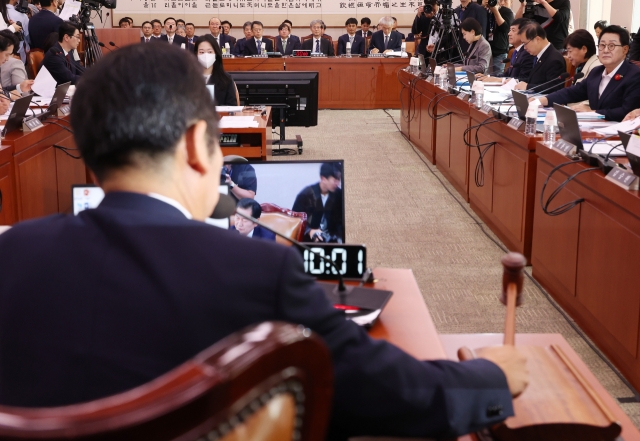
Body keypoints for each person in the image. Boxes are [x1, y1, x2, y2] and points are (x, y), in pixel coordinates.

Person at [0, 41, 528, 440]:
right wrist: (486, 378)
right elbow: (381, 391)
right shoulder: (258, 273)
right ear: (195, 146)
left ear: (89, 156)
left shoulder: (12, 255)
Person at [538, 25, 640, 122]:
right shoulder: (597, 72)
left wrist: (593, 113)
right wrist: (542, 100)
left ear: (625, 49)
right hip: (594, 129)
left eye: (611, 46)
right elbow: (571, 92)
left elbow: (627, 111)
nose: (605, 50)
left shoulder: (634, 75)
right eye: (602, 45)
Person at [291, 163, 344, 243]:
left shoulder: (339, 195)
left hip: (333, 240)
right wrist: (309, 231)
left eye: (339, 180)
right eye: (334, 180)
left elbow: (341, 222)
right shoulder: (305, 195)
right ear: (323, 178)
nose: (337, 183)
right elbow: (295, 220)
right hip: (309, 241)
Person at [512, 22, 567, 93]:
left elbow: (553, 87)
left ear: (537, 39)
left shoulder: (554, 59)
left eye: (525, 43)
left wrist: (528, 87)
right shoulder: (539, 55)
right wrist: (516, 81)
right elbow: (534, 80)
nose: (524, 48)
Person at [476, 18, 535, 83]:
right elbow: (507, 74)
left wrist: (500, 80)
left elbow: (524, 79)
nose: (509, 33)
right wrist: (488, 76)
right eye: (510, 30)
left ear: (524, 33)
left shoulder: (528, 52)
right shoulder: (515, 51)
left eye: (513, 30)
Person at [195, 34, 237, 106]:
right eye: (201, 52)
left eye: (210, 52)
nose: (206, 55)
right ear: (196, 54)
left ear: (216, 54)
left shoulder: (226, 79)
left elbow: (232, 105)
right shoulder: (187, 79)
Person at [41, 21, 83, 85]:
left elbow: (79, 69)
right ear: (66, 37)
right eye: (77, 37)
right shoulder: (54, 55)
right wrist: (89, 79)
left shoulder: (69, 52)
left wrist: (95, 74)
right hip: (54, 93)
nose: (79, 40)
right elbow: (69, 78)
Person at [484, 0, 513, 74]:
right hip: (485, 50)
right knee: (484, 76)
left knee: (497, 76)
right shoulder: (485, 11)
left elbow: (506, 29)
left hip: (499, 51)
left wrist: (496, 11)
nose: (502, 2)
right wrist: (482, 7)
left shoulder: (507, 11)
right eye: (500, 0)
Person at [0, 30, 32, 94]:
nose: (7, 59)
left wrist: (19, 88)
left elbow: (1, 91)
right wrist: (10, 96)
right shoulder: (15, 63)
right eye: (6, 55)